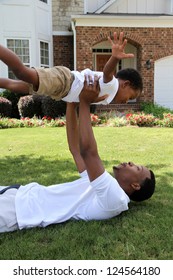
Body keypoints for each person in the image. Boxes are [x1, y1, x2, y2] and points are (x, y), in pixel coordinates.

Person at [0, 75, 155, 233]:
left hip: (17, 211)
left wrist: (85, 103)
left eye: (136, 168)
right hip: (21, 193)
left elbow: (88, 152)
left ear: (135, 186)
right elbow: (75, 149)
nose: (130, 163)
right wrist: (72, 104)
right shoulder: (103, 184)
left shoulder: (116, 199)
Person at [0, 32, 142, 104]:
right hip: (65, 81)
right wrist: (115, 58)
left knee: (15, 85)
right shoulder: (113, 85)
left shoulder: (108, 97)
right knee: (22, 72)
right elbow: (107, 72)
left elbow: (86, 100)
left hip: (61, 90)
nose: (128, 101)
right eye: (131, 96)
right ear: (126, 84)